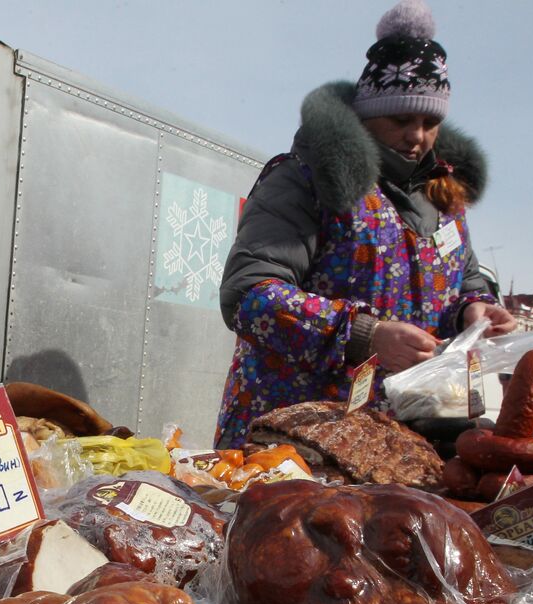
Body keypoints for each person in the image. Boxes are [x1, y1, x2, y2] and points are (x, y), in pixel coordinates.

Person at [214, 0, 515, 447]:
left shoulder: (444, 196)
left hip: (403, 439)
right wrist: (364, 335)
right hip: (295, 436)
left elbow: (466, 279)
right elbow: (249, 294)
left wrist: (474, 308)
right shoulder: (303, 178)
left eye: (431, 121)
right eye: (402, 119)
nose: (417, 136)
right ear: (367, 114)